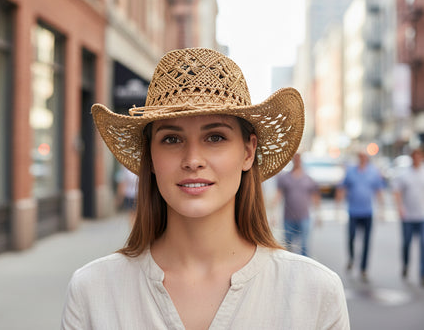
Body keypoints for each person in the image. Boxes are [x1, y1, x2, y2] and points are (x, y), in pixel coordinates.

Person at [61, 48, 349, 329]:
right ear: (150, 156)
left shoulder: (314, 294)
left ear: (248, 152)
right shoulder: (92, 292)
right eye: (172, 139)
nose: (193, 160)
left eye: (215, 137)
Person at [336, 150, 384, 282]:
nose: (362, 158)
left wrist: (382, 208)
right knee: (351, 237)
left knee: (367, 241)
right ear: (358, 157)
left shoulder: (373, 172)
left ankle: (363, 268)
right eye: (360, 156)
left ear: (367, 158)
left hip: (368, 212)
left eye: (364, 156)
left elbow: (379, 190)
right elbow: (342, 187)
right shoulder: (351, 171)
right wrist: (338, 206)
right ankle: (351, 258)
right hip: (353, 211)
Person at [273, 153, 321, 256]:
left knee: (304, 246)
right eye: (295, 159)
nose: (297, 161)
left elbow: (315, 197)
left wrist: (319, 215)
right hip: (288, 218)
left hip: (304, 217)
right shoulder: (284, 178)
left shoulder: (308, 178)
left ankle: (304, 270)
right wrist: (273, 214)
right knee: (288, 246)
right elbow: (278, 195)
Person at [392, 148, 424, 286]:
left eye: (419, 156)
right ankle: (405, 265)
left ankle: (422, 274)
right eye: (415, 156)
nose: (417, 159)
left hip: (422, 216)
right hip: (408, 216)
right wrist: (400, 208)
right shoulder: (404, 174)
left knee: (423, 245)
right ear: (412, 158)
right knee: (407, 243)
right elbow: (397, 191)